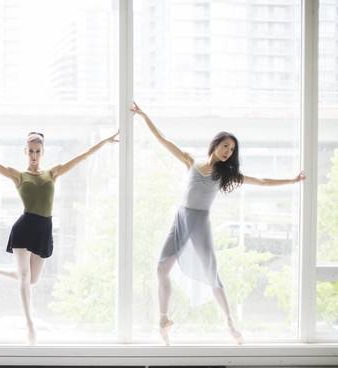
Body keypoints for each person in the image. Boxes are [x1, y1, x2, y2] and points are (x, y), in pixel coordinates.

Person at [130, 102, 305, 346]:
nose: (228, 152)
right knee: (161, 268)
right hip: (181, 217)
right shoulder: (190, 161)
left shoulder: (226, 174)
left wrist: (293, 180)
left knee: (212, 274)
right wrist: (143, 115)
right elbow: (163, 140)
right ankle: (163, 320)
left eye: (232, 150)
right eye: (225, 146)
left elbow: (263, 181)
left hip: (200, 222)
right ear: (215, 145)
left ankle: (230, 323)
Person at [0, 130, 119, 344]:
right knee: (25, 278)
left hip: (44, 229)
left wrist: (105, 141)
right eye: (30, 152)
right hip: (24, 228)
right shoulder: (18, 176)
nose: (34, 156)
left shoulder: (52, 174)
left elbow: (82, 157)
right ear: (25, 152)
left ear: (43, 152)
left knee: (32, 279)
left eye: (37, 152)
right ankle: (30, 324)